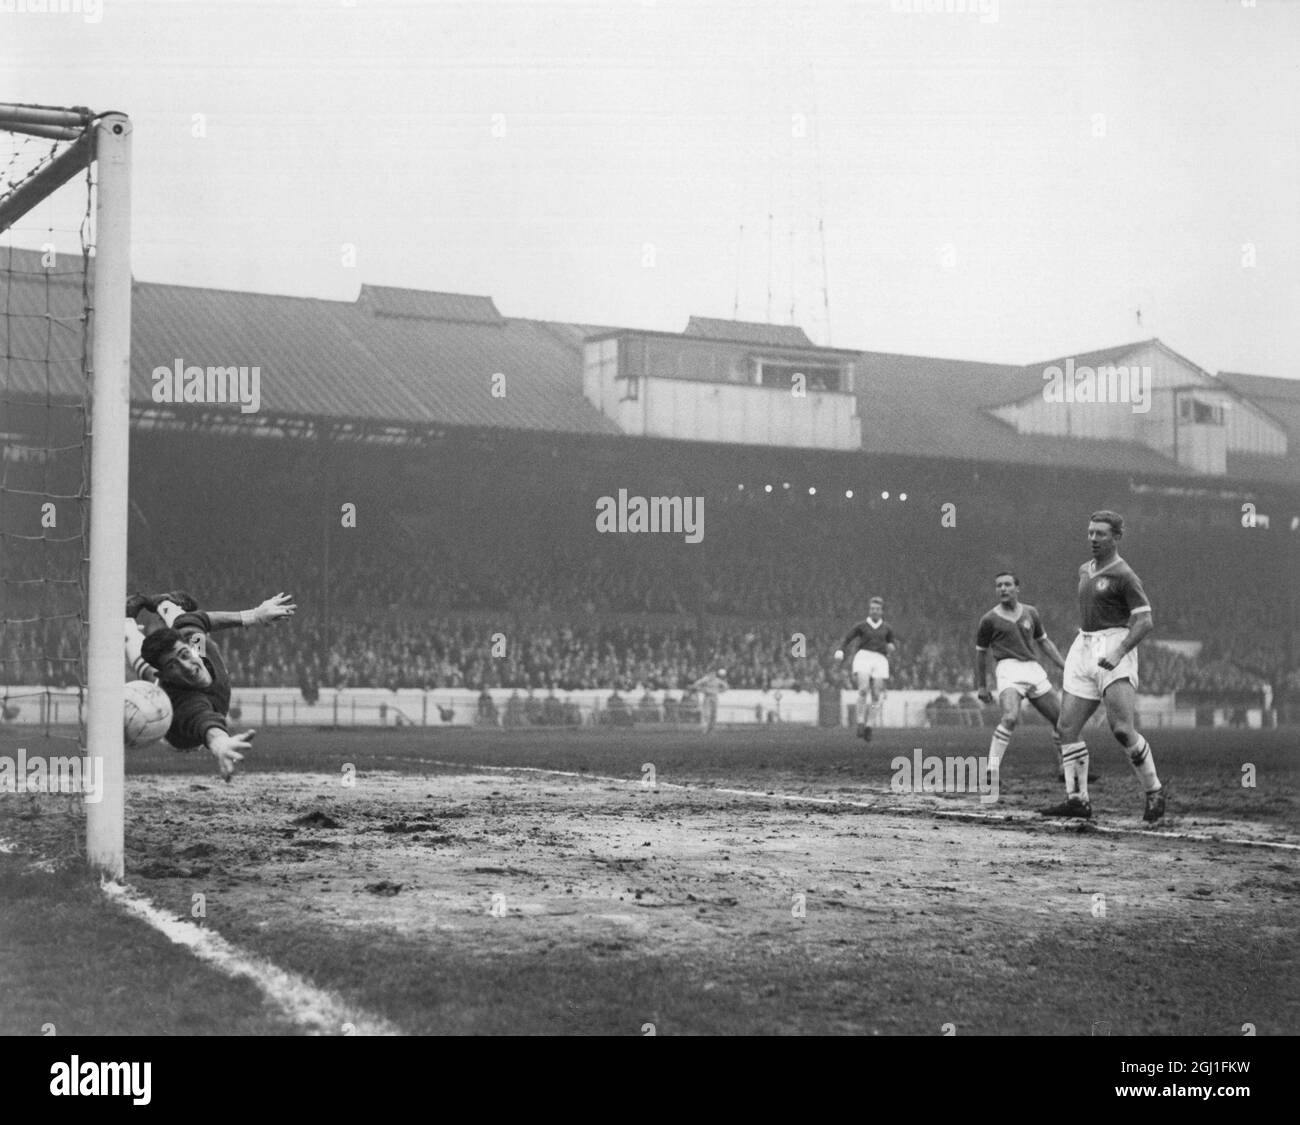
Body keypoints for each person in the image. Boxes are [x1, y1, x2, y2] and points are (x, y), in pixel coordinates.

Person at [1043, 511, 1165, 822]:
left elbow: (1146, 621)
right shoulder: (1084, 569)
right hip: (1083, 645)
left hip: (1114, 644)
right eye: (1090, 532)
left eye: (1101, 533)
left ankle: (1154, 791)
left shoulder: (1125, 575)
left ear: (1116, 537)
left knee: (1122, 730)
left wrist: (1120, 650)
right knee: (1066, 728)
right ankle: (1078, 800)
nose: (1093, 538)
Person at [127, 590, 295, 781]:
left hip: (183, 644)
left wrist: (254, 615)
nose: (187, 667)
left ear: (189, 648)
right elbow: (208, 726)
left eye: (184, 655)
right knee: (146, 671)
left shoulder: (196, 643)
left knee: (185, 621)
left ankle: (162, 603)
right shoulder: (189, 704)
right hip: (176, 734)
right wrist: (221, 744)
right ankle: (126, 624)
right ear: (166, 675)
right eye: (173, 666)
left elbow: (198, 620)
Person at [974, 572, 1069, 789]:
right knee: (1010, 717)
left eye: (1007, 585)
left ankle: (1067, 768)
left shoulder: (1031, 613)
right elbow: (981, 652)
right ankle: (991, 771)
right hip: (1008, 668)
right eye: (998, 586)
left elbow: (1044, 643)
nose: (1003, 589)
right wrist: (982, 685)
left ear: (1018, 588)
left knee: (1063, 721)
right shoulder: (988, 619)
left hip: (1032, 668)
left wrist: (1064, 666)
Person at [834, 596, 895, 741]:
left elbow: (891, 643)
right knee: (863, 689)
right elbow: (847, 638)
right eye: (872, 609)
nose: (874, 611)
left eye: (877, 609)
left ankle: (869, 725)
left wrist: (891, 647)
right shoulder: (861, 626)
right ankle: (860, 721)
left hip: (880, 659)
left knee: (875, 695)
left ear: (881, 611)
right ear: (869, 610)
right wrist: (841, 650)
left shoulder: (887, 628)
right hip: (864, 657)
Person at [691, 668, 728, 732]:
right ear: (708, 674)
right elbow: (696, 684)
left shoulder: (717, 680)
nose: (712, 675)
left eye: (713, 674)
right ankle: (704, 728)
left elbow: (726, 686)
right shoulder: (705, 679)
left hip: (714, 697)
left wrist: (720, 691)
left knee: (714, 713)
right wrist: (702, 690)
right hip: (707, 697)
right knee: (706, 713)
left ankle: (712, 728)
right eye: (711, 674)